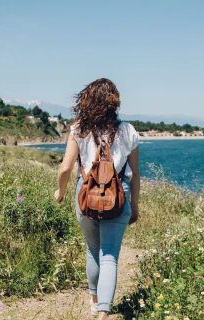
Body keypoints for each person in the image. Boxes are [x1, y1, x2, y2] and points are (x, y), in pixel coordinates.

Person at [54, 78, 140, 319]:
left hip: (85, 197)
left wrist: (60, 192)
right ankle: (104, 312)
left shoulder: (78, 129)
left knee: (93, 251)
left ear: (87, 100)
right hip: (118, 196)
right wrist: (135, 206)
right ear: (114, 102)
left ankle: (94, 303)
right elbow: (135, 176)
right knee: (110, 255)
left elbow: (64, 169)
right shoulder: (128, 130)